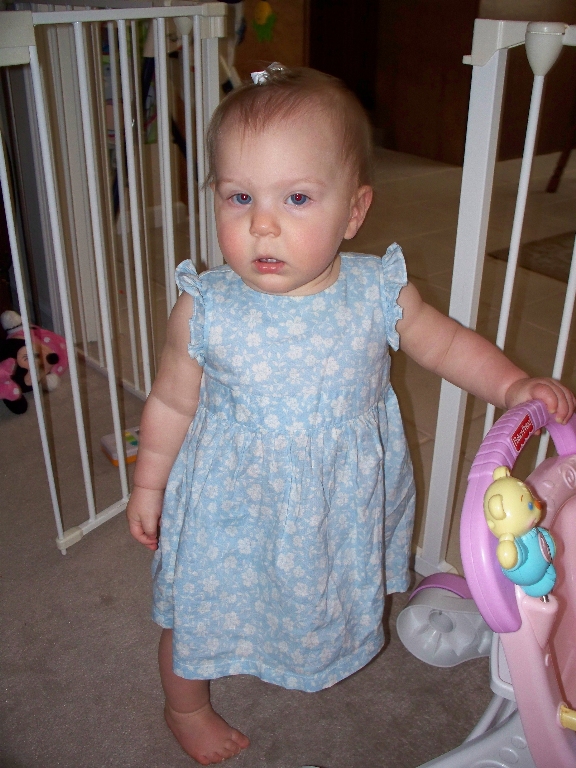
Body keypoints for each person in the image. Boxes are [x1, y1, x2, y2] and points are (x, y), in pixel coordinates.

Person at [126, 64, 575, 765]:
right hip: (230, 506)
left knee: (323, 585)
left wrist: (514, 384)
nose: (262, 223)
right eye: (239, 197)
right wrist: (149, 484)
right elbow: (171, 400)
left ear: (354, 211)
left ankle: (313, 644)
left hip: (336, 497)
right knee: (201, 607)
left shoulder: (376, 292)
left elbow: (448, 346)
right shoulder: (205, 306)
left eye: (297, 197)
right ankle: (185, 705)